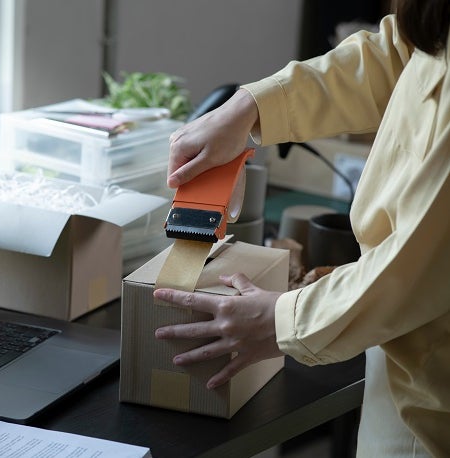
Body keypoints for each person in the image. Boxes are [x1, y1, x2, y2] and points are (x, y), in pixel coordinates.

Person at [154, 1, 450, 456]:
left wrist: (282, 321)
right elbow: (401, 52)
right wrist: (252, 104)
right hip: (406, 359)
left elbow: (417, 265)